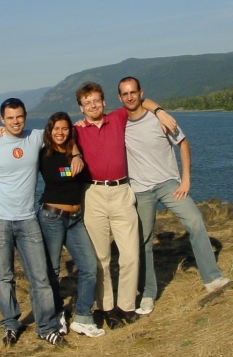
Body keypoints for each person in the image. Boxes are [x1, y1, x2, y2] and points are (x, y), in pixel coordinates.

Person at [0, 98, 72, 347]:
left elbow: (62, 133)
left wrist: (75, 156)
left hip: (27, 219)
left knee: (41, 276)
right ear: (2, 120)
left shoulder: (35, 137)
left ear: (25, 116)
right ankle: (11, 324)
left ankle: (46, 327)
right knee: (4, 277)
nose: (15, 121)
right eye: (10, 118)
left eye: (19, 116)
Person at [117, 77, 231, 316]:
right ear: (120, 97)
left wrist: (185, 179)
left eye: (133, 92)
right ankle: (147, 293)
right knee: (143, 241)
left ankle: (212, 278)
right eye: (125, 94)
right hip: (140, 190)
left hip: (168, 184)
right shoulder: (119, 123)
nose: (129, 97)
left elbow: (183, 144)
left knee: (195, 221)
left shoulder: (159, 119)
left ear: (141, 93)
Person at [73, 82, 176, 329]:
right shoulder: (76, 130)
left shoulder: (118, 118)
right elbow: (52, 135)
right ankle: (107, 308)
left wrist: (160, 111)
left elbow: (140, 101)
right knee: (101, 258)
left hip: (121, 192)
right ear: (81, 107)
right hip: (93, 194)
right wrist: (74, 156)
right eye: (87, 103)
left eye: (96, 100)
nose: (93, 106)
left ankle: (126, 306)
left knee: (130, 255)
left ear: (104, 102)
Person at [36, 112, 105, 338]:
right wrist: (76, 163)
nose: (60, 132)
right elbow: (58, 175)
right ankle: (55, 314)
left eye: (65, 128)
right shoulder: (44, 154)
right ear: (49, 130)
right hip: (52, 217)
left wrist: (76, 154)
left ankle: (83, 317)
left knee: (89, 266)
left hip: (75, 219)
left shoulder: (74, 151)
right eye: (56, 128)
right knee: (53, 270)